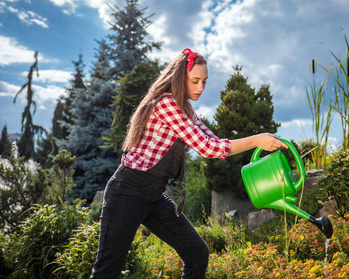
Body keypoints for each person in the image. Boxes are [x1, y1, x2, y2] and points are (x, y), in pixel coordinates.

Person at [90, 48, 287, 278]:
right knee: (107, 270)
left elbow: (213, 141)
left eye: (204, 81)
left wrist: (262, 140)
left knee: (196, 253)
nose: (200, 88)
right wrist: (255, 140)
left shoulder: (186, 109)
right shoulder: (166, 104)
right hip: (127, 191)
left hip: (153, 195)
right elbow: (206, 149)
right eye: (195, 81)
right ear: (179, 78)